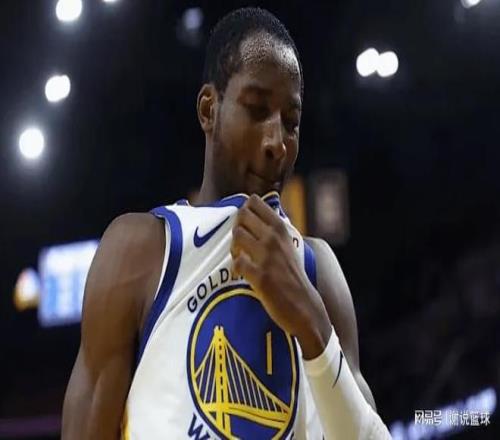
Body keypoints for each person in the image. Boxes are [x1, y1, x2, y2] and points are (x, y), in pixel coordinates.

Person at [62, 7, 391, 440]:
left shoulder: (320, 272)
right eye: (256, 110)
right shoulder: (140, 250)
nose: (277, 142)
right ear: (208, 109)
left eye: (291, 123)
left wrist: (312, 321)